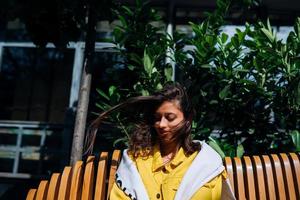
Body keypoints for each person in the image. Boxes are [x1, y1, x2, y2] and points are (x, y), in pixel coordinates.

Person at [85, 82, 235, 200]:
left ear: (187, 119)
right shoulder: (135, 160)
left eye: (170, 118)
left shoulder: (204, 163)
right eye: (157, 118)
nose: (161, 125)